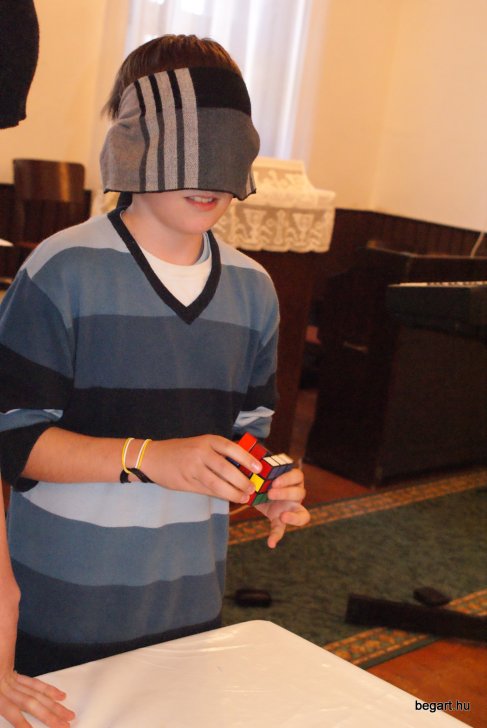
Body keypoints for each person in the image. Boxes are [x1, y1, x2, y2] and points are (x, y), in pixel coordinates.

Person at [0, 34, 309, 726]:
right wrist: (149, 457)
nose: (210, 174)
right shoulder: (62, 272)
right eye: (188, 145)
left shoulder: (254, 290)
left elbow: (247, 434)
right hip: (64, 603)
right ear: (134, 142)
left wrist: (268, 484)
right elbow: (12, 437)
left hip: (188, 602)